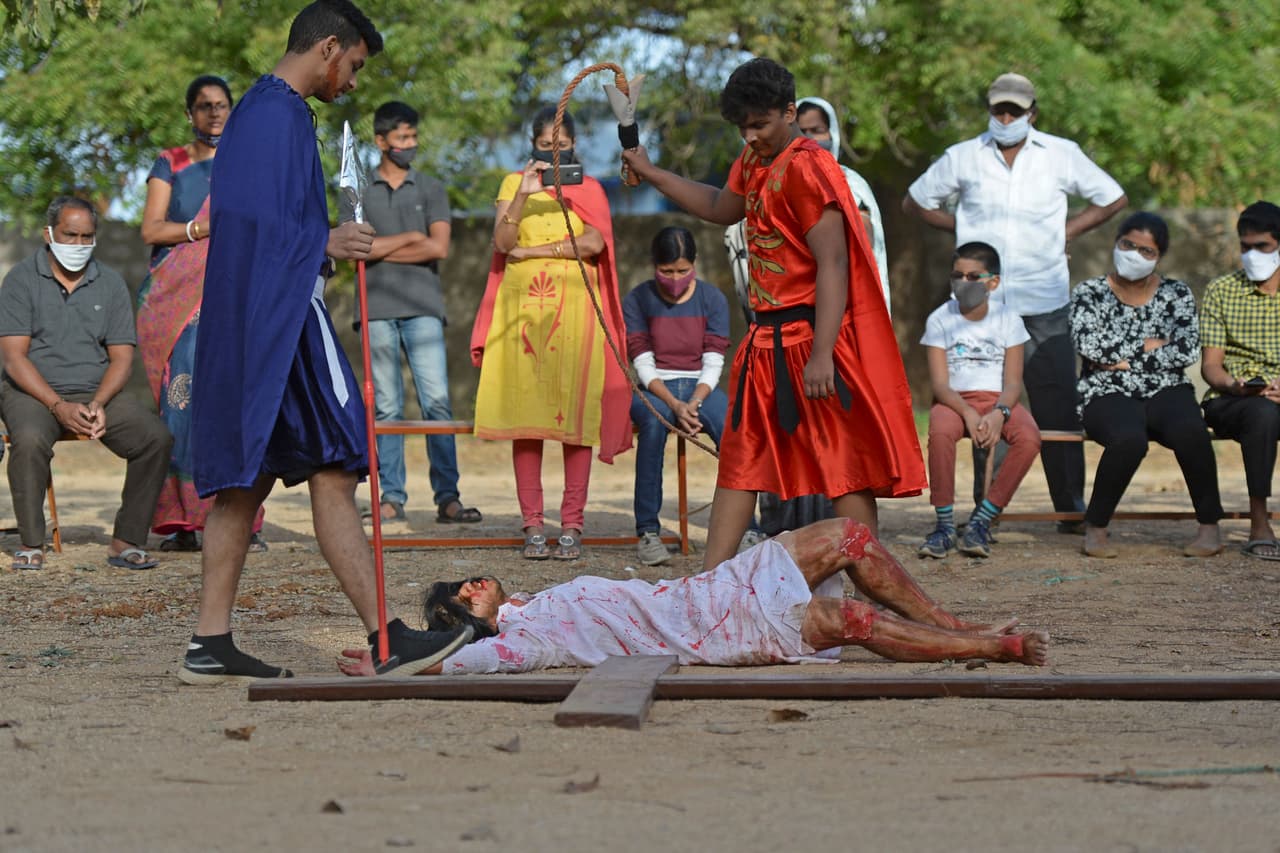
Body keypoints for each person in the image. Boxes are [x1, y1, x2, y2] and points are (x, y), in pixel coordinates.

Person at [179, 0, 472, 684]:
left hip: (262, 316)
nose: (356, 82)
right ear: (330, 47)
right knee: (337, 465)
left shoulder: (266, 110)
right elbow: (246, 218)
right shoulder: (276, 112)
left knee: (245, 483)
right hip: (285, 321)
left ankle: (208, 641)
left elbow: (260, 218)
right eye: (357, 66)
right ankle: (387, 638)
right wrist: (322, 240)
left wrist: (317, 245)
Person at [622, 58, 925, 571]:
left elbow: (833, 265)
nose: (751, 135)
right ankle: (709, 584)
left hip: (813, 337)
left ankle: (874, 578)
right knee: (741, 463)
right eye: (743, 127)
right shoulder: (752, 160)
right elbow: (721, 207)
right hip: (764, 341)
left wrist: (824, 354)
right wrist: (651, 171)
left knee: (843, 465)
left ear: (788, 112)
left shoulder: (810, 166)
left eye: (760, 124)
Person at [336, 518, 1049, 676]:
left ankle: (959, 620)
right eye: (461, 601)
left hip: (709, 588)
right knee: (850, 618)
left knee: (853, 538)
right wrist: (388, 666)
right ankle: (992, 645)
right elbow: (467, 665)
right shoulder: (524, 638)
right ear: (470, 624)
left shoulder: (539, 597)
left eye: (466, 580)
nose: (469, 585)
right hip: (715, 632)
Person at [904, 72, 1128, 532]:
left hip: (1043, 298)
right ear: (989, 110)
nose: (1005, 118)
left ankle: (1069, 509)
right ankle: (988, 513)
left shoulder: (1061, 155)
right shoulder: (963, 157)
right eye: (998, 110)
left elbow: (1112, 196)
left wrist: (1065, 231)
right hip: (982, 306)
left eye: (1015, 111)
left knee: (1057, 405)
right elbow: (915, 201)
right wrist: (963, 231)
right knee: (987, 403)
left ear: (1033, 113)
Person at [470, 105, 631, 562]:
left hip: (578, 315)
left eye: (562, 147)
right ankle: (533, 525)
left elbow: (594, 243)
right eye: (546, 147)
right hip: (524, 316)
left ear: (575, 145)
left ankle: (574, 524)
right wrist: (523, 194)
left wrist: (535, 250)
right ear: (533, 144)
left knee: (577, 421)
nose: (554, 154)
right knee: (529, 419)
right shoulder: (512, 184)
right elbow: (503, 245)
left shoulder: (592, 190)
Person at [0, 196, 173, 571]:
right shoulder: (20, 280)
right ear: (49, 234)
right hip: (32, 391)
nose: (78, 245)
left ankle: (126, 540)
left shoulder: (109, 283)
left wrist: (99, 402)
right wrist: (57, 406)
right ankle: (31, 543)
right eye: (70, 235)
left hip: (97, 390)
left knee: (155, 438)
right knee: (29, 441)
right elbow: (14, 357)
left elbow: (122, 357)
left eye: (86, 237)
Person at [136, 75, 268, 554]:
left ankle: (240, 520)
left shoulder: (247, 165)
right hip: (176, 302)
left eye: (222, 106)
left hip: (232, 298)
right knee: (181, 404)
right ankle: (183, 522)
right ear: (189, 113)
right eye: (204, 106)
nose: (214, 114)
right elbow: (152, 230)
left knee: (235, 405)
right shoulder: (168, 163)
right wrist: (201, 227)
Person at [342, 100, 481, 526]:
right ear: (381, 141)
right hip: (376, 309)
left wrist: (380, 247)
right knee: (385, 407)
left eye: (413, 137)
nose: (410, 144)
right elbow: (354, 255)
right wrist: (409, 237)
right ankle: (390, 498)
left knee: (436, 404)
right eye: (402, 138)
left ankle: (448, 498)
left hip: (424, 310)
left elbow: (438, 246)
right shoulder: (358, 192)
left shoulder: (431, 187)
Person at [1070, 212, 1224, 559]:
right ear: (1116, 242)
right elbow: (1090, 346)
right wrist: (1150, 345)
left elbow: (1185, 349)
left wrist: (1124, 355)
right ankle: (1096, 526)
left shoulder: (1176, 293)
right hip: (1104, 389)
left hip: (1167, 388)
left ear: (1159, 257)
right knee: (1128, 439)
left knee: (1191, 432)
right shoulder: (1089, 293)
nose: (1134, 254)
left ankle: (1210, 528)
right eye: (1127, 245)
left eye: (1146, 250)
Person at [624, 225, 761, 566]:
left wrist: (694, 401)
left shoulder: (712, 298)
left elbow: (715, 359)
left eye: (682, 270)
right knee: (653, 428)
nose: (674, 278)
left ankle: (748, 528)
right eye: (666, 271)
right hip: (656, 388)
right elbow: (641, 361)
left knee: (733, 430)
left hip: (702, 385)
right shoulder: (638, 298)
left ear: (695, 264)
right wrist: (673, 404)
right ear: (654, 265)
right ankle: (648, 532)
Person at [919, 241, 1040, 559]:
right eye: (957, 275)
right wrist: (969, 413)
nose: (963, 283)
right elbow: (940, 385)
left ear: (993, 282)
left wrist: (1000, 413)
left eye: (974, 277)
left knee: (1028, 438)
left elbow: (1013, 382)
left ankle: (981, 521)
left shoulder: (1008, 319)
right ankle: (944, 526)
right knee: (941, 431)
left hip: (999, 399)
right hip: (954, 401)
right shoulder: (939, 319)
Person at [1199, 201, 1280, 560]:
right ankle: (1259, 522)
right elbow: (1211, 367)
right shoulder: (1221, 290)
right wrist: (1236, 385)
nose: (1251, 255)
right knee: (1262, 414)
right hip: (1234, 399)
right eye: (1244, 247)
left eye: (1261, 246)